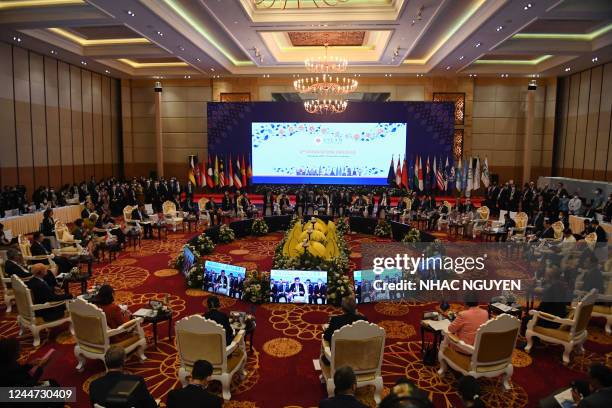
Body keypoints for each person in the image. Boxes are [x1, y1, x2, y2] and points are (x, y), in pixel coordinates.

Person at [89, 346, 157, 408]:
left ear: (106, 361)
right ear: (124, 361)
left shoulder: (94, 385)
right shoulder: (136, 381)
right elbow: (151, 406)